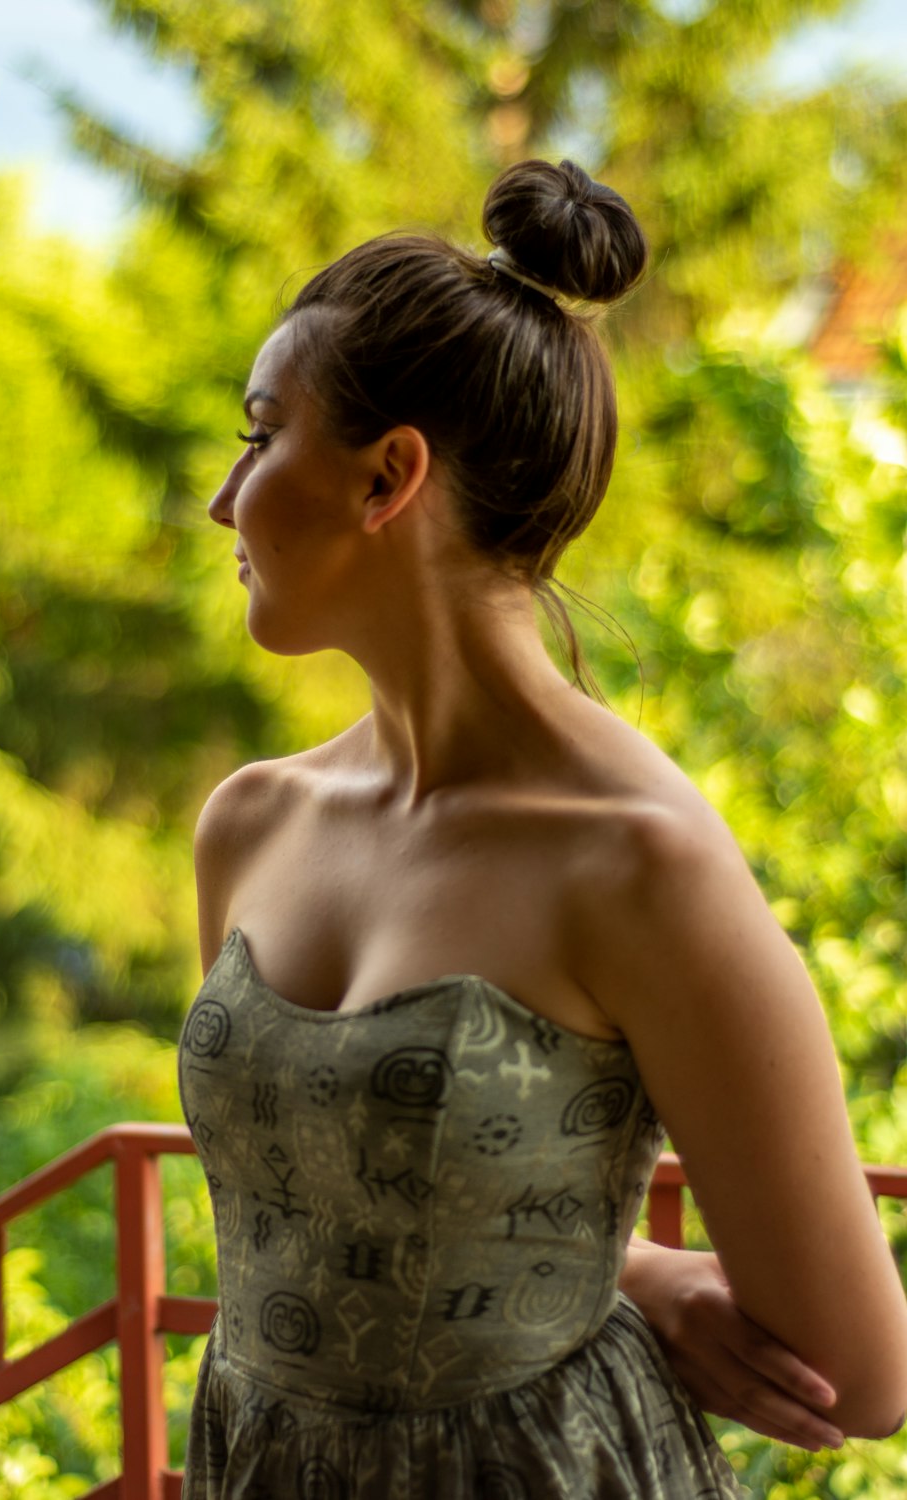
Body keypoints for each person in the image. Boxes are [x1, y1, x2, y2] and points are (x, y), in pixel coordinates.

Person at [179, 158, 907, 1497]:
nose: (226, 501)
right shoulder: (251, 824)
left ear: (388, 475)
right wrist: (635, 1273)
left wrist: (633, 1299)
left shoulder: (635, 858)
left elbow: (861, 1373)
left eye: (260, 432)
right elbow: (313, 1203)